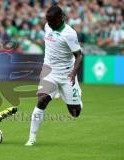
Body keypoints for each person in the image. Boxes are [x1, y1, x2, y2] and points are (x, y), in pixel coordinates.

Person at [25, 6, 83, 146]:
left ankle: (76, 98)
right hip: (49, 71)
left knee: (75, 113)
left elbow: (79, 55)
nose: (48, 24)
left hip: (67, 74)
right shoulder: (48, 26)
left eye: (51, 21)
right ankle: (32, 137)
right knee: (42, 100)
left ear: (60, 18)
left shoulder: (69, 34)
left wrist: (74, 73)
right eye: (47, 21)